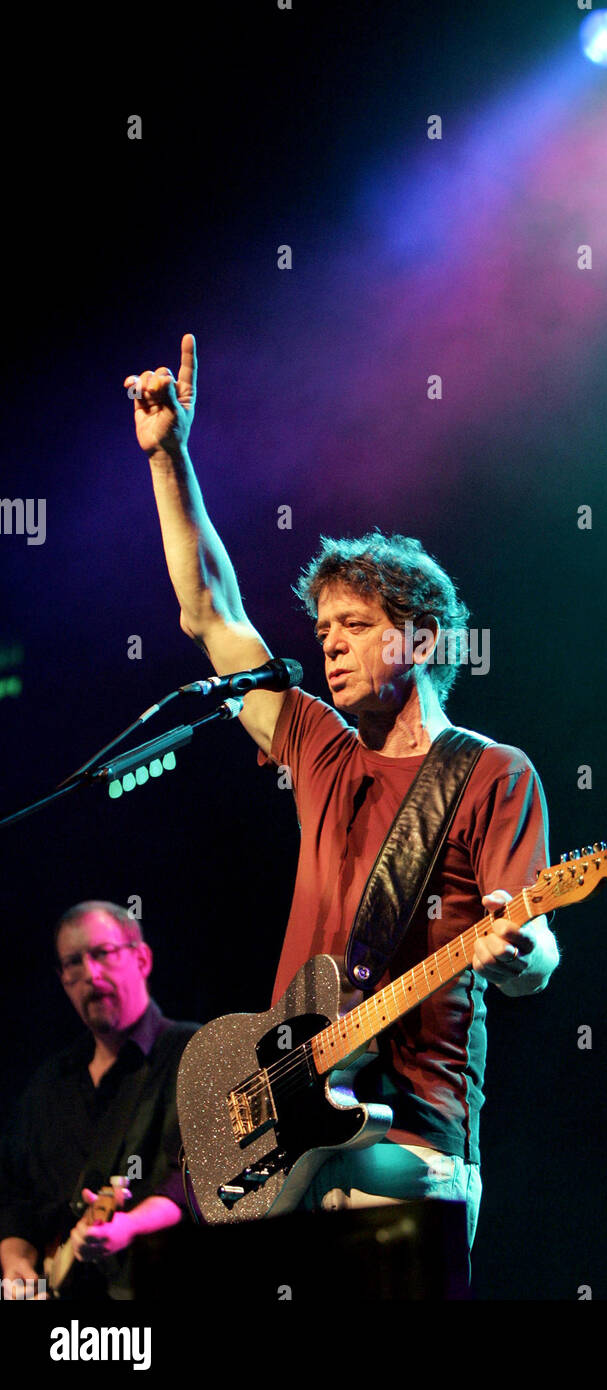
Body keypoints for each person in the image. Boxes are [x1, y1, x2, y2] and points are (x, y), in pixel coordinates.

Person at [125, 333, 559, 1254]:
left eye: (356, 627)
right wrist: (170, 458)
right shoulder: (319, 745)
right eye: (323, 626)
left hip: (403, 1143)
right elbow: (210, 612)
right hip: (293, 1135)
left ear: (425, 641)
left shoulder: (490, 773)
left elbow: (535, 951)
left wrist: (517, 950)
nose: (327, 644)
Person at [0, 902, 198, 1299]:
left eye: (102, 954)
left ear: (141, 958)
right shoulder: (48, 1085)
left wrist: (130, 1227)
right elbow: (16, 1194)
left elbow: (198, 1180)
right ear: (62, 979)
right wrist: (16, 1262)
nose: (89, 974)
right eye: (73, 963)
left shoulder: (193, 1053)